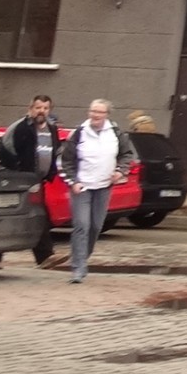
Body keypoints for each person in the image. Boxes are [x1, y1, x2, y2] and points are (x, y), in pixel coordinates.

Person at [57, 98, 122, 284]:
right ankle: (78, 268)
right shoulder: (79, 133)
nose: (95, 115)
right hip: (82, 187)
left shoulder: (116, 133)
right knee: (81, 226)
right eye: (93, 111)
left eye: (99, 112)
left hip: (103, 186)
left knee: (95, 227)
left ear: (107, 115)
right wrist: (73, 181)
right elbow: (65, 161)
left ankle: (82, 257)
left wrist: (120, 171)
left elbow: (127, 155)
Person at [1, 93, 59, 180]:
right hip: (24, 180)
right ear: (31, 109)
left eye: (45, 108)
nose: (42, 111)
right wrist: (18, 172)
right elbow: (8, 150)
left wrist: (52, 173)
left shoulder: (52, 129)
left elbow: (57, 152)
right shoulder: (21, 127)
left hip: (45, 181)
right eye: (38, 108)